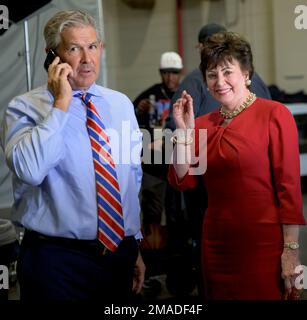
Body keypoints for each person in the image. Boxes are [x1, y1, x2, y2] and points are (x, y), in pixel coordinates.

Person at [0, 10, 145, 301]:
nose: (87, 59)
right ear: (52, 55)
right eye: (74, 48)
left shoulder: (120, 105)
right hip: (57, 261)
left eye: (92, 46)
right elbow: (30, 170)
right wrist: (61, 104)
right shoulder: (24, 108)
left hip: (118, 254)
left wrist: (135, 243)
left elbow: (130, 178)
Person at [168, 31, 306, 300]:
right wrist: (184, 133)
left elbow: (289, 190)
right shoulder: (204, 124)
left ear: (246, 73)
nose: (219, 82)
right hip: (216, 243)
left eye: (227, 72)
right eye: (212, 74)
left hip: (262, 244)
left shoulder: (275, 115)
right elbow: (183, 179)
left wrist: (291, 249)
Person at [133, 52, 183, 250]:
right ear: (160, 73)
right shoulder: (149, 96)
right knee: (152, 214)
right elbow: (130, 124)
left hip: (178, 164)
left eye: (174, 73)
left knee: (177, 214)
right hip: (153, 166)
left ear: (180, 73)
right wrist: (139, 111)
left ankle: (176, 254)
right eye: (166, 73)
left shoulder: (187, 93)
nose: (170, 78)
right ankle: (153, 259)